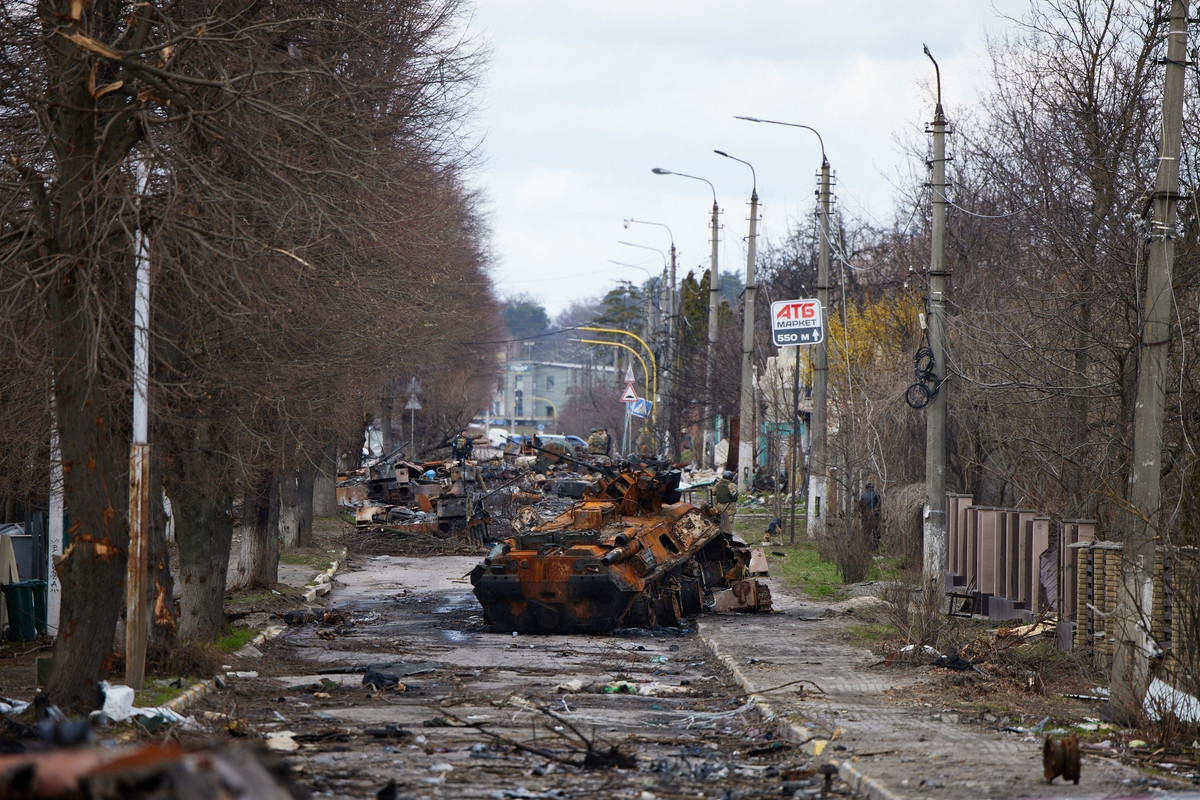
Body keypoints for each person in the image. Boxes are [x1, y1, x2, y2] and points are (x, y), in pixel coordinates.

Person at [713, 470, 737, 534]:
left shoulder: (717, 484)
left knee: (721, 522)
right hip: (729, 508)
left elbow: (714, 493)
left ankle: (721, 534)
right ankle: (728, 535)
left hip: (720, 507)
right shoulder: (731, 485)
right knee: (729, 523)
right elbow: (734, 495)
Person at [860, 481, 882, 548]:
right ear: (873, 488)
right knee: (876, 531)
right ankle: (876, 545)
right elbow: (880, 505)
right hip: (875, 515)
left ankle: (867, 545)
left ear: (866, 488)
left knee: (866, 532)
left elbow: (861, 506)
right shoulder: (877, 494)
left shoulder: (863, 495)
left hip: (866, 515)